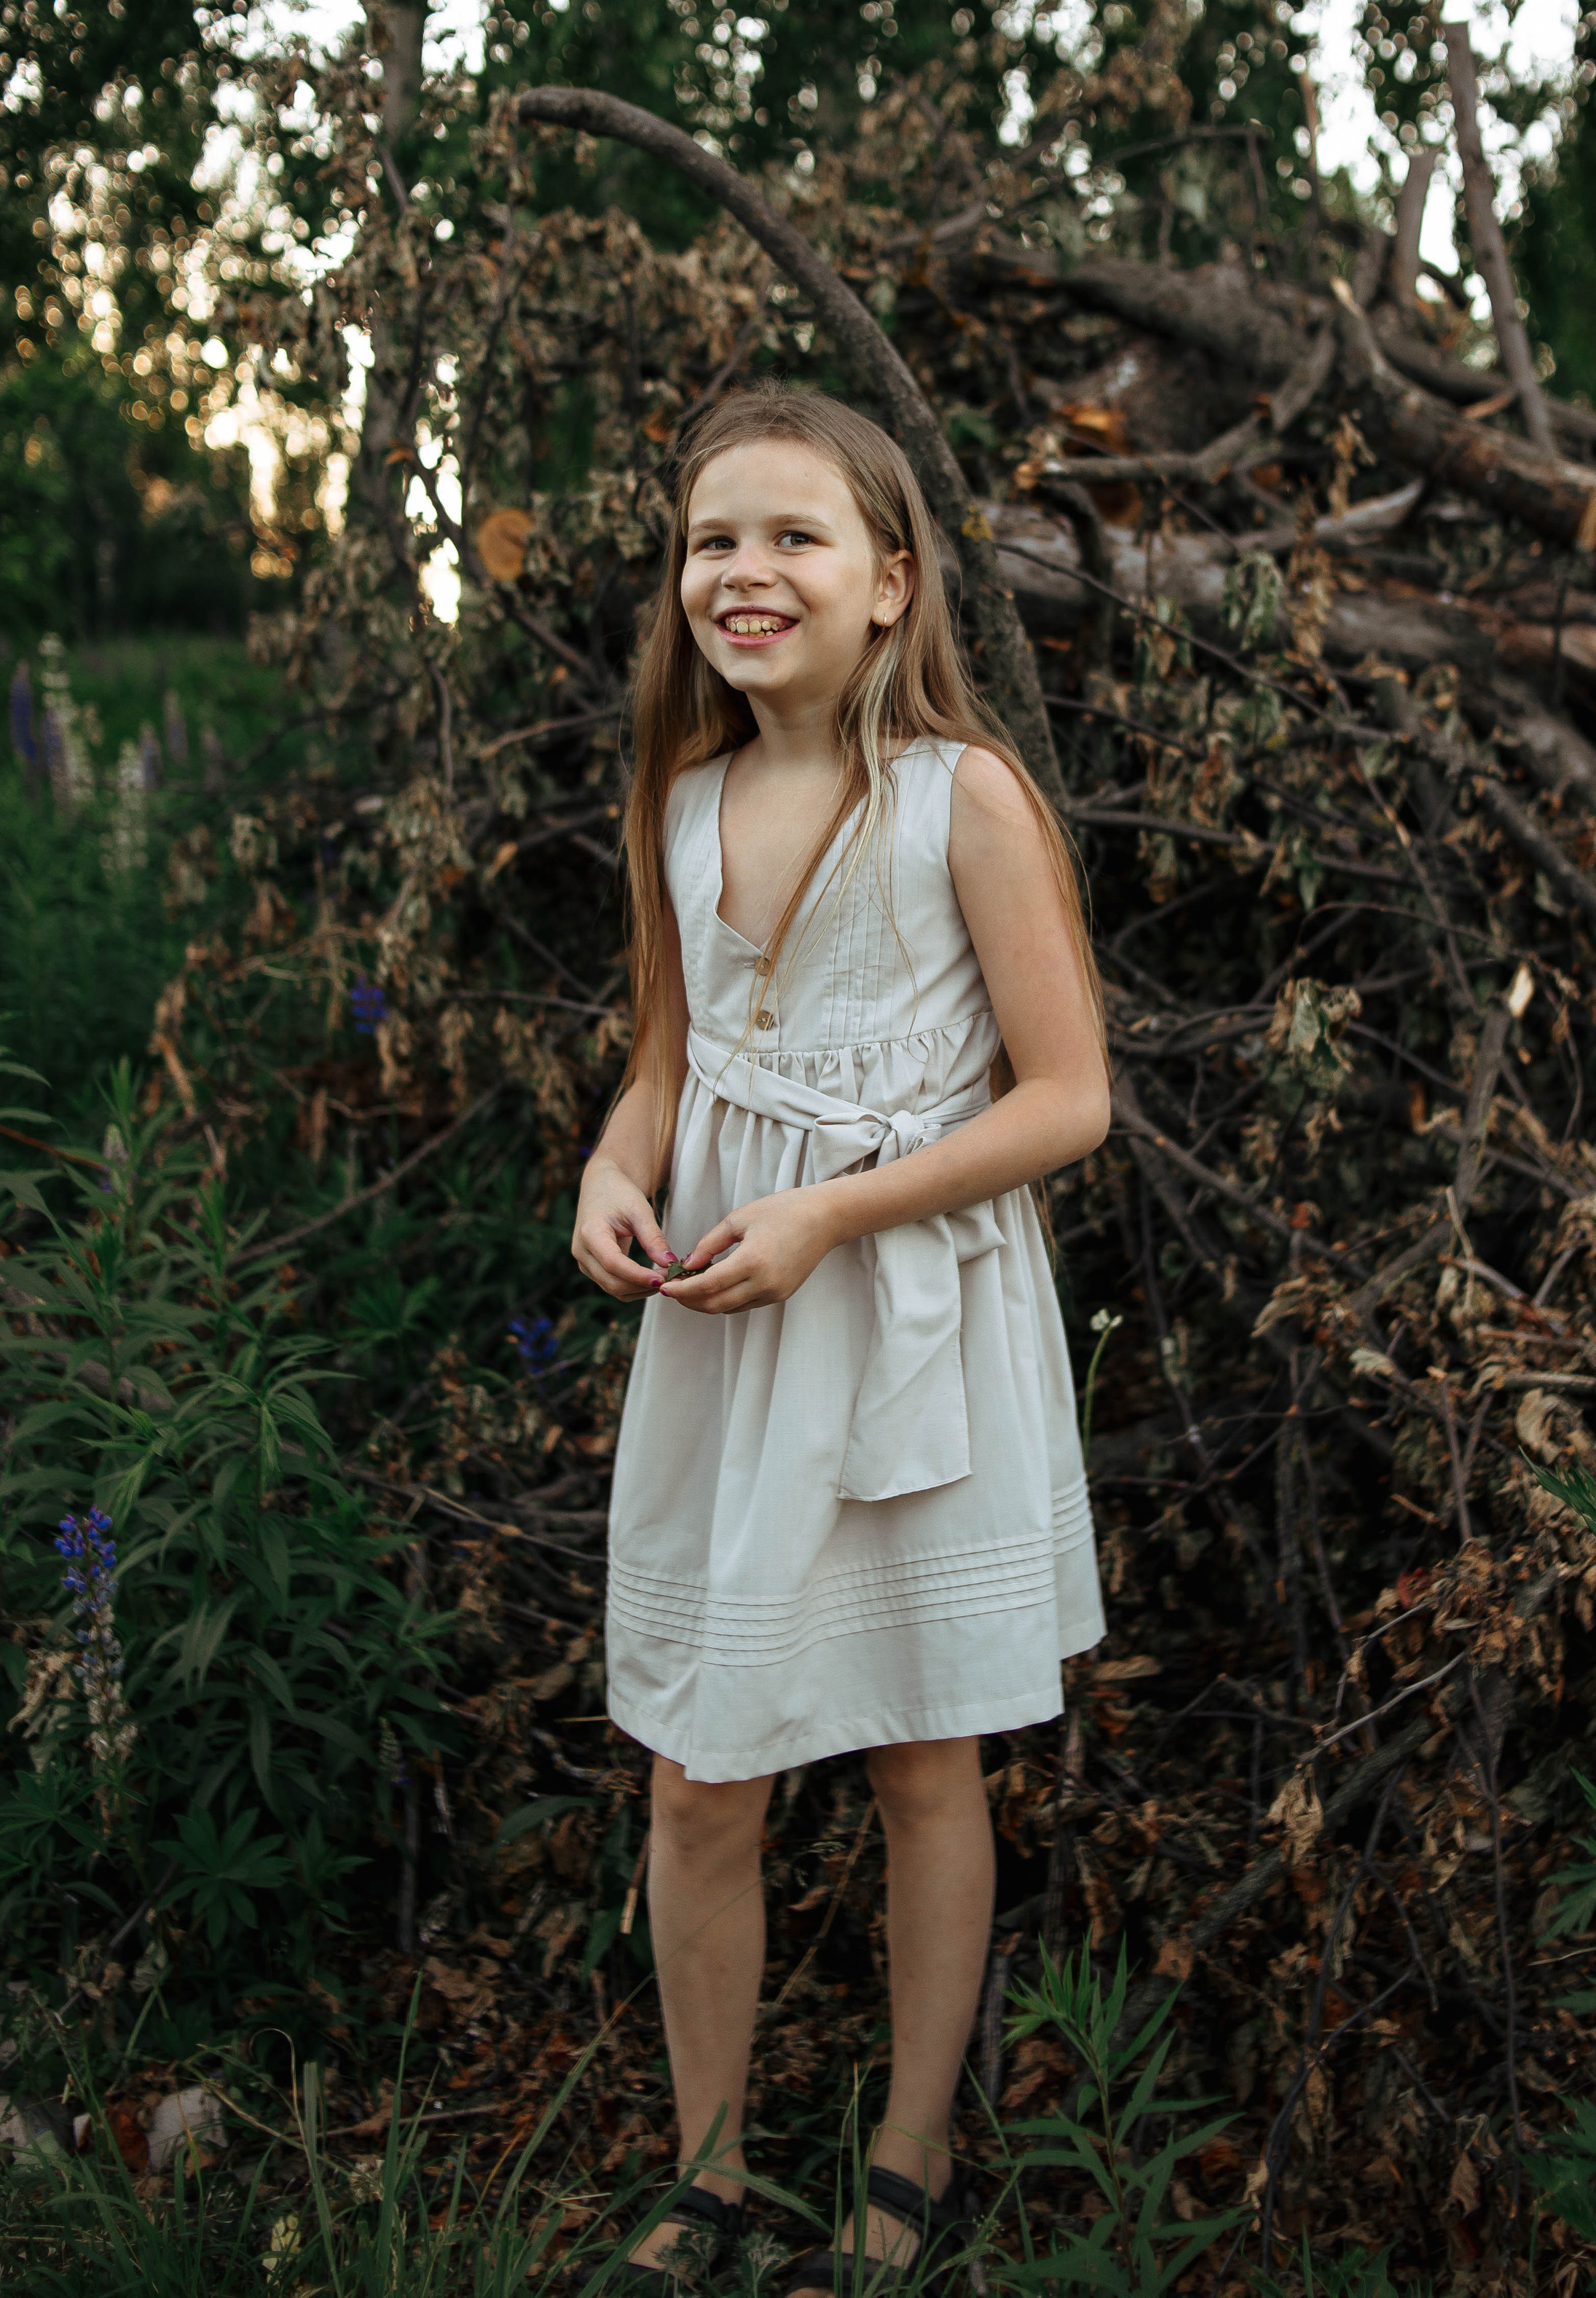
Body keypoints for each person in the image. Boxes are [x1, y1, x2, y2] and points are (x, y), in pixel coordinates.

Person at [570, 385, 1109, 2290]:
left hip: (902, 1329)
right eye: (714, 539)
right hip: (729, 1327)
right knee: (702, 1770)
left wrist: (830, 1213)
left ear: (891, 582)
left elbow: (1067, 1102)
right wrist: (611, 1166)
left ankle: (911, 2142)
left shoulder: (961, 797)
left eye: (793, 537)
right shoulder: (684, 793)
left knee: (920, 1760)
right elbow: (670, 1046)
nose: (745, 572)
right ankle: (706, 2170)